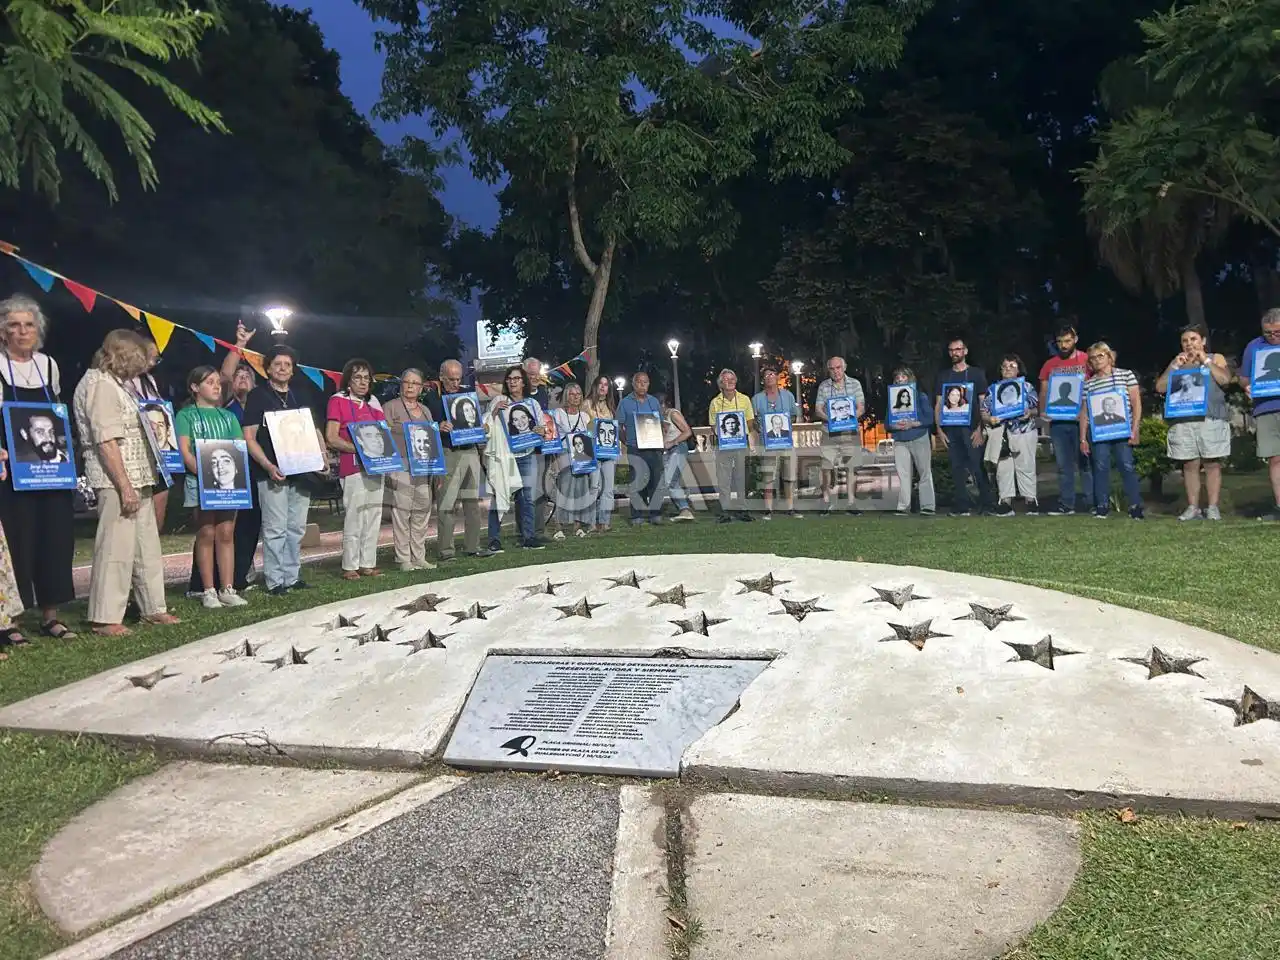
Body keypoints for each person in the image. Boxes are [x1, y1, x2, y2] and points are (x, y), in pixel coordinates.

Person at [73, 329, 181, 635]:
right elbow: (106, 441)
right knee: (115, 547)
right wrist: (124, 486)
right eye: (138, 357)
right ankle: (105, 617)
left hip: (139, 475)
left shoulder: (119, 385)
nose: (144, 364)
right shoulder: (100, 385)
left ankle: (153, 607)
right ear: (122, 355)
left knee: (146, 546)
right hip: (116, 479)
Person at [0, 294, 77, 640]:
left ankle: (50, 615)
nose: (22, 331)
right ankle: (11, 620)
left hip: (51, 471)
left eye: (28, 325)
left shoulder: (49, 366)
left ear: (38, 330)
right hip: (12, 471)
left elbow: (57, 412)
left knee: (55, 539)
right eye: (14, 325)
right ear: (3, 331)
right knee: (18, 540)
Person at [187, 321, 263, 599]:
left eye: (248, 375)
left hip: (251, 473)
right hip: (219, 474)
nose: (242, 377)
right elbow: (226, 373)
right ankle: (202, 584)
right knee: (210, 529)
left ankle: (237, 578)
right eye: (239, 375)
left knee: (245, 528)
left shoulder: (256, 405)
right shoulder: (224, 405)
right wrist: (240, 346)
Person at [243, 343, 320, 595]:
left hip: (302, 469)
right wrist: (267, 464)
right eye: (277, 364)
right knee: (274, 528)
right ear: (267, 369)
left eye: (287, 364)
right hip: (272, 471)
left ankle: (292, 575)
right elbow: (249, 436)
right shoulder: (258, 396)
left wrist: (321, 457)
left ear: (293, 370)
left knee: (296, 527)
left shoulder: (301, 394)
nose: (283, 368)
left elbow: (314, 429)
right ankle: (275, 580)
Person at [175, 366, 250, 609]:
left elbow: (238, 447)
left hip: (228, 484)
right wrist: (203, 473)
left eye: (218, 382)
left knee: (226, 532)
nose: (217, 386)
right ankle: (207, 589)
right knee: (206, 532)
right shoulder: (185, 416)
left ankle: (227, 587)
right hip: (199, 482)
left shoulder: (228, 417)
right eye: (210, 382)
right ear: (195, 387)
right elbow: (184, 449)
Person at [1156, 324, 1233, 522]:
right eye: (1185, 340)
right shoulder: (1178, 362)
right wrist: (1174, 367)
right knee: (1189, 464)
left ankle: (1213, 507)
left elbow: (1225, 380)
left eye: (1193, 339)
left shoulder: (1215, 358)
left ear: (1203, 341)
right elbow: (1160, 387)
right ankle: (1193, 507)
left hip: (1210, 417)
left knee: (1212, 463)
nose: (1189, 344)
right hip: (1183, 419)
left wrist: (1205, 360)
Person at [325, 358, 387, 580]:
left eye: (366, 378)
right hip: (352, 467)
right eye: (357, 377)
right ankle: (349, 565)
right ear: (348, 380)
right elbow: (331, 438)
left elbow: (383, 437)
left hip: (376, 467)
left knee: (373, 514)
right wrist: (359, 450)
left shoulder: (374, 403)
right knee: (355, 515)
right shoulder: (338, 400)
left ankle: (367, 563)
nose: (363, 382)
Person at [425, 359, 490, 560]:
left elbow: (475, 421)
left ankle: (473, 546)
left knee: (472, 502)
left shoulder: (467, 394)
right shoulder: (432, 398)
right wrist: (438, 425)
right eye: (451, 379)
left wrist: (482, 429)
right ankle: (446, 550)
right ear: (441, 376)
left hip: (470, 450)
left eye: (458, 378)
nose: (455, 383)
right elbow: (425, 426)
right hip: (448, 452)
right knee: (447, 503)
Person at [486, 364, 548, 551]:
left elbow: (542, 430)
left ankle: (528, 537)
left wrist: (540, 431)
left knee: (527, 497)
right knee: (499, 495)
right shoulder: (499, 400)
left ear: (523, 382)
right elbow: (487, 425)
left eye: (516, 379)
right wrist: (495, 411)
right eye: (510, 379)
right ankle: (494, 540)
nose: (512, 382)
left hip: (527, 454)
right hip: (505, 456)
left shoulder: (532, 404)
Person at [1080, 342, 1144, 520]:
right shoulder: (1089, 384)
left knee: (1127, 465)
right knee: (1100, 467)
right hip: (1099, 433)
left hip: (1123, 431)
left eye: (1100, 356)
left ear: (1110, 357)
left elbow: (1136, 404)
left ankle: (1135, 505)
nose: (1097, 360)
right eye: (1093, 358)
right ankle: (1102, 506)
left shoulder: (1126, 375)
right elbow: (1084, 412)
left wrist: (1135, 428)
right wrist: (1082, 439)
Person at [383, 368, 435, 571]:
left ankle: (419, 556)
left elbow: (432, 439)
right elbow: (383, 437)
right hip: (401, 466)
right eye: (407, 382)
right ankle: (403, 558)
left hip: (423, 468)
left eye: (415, 383)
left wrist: (434, 469)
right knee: (402, 512)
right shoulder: (390, 407)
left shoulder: (425, 410)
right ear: (401, 384)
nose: (411, 386)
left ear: (421, 387)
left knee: (422, 511)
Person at [934, 337, 992, 517]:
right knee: (957, 468)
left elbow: (984, 403)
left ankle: (987, 504)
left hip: (971, 428)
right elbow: (938, 404)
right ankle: (962, 506)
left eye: (958, 349)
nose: (954, 353)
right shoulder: (944, 376)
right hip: (951, 429)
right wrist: (939, 430)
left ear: (965, 351)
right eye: (951, 350)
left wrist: (980, 429)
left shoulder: (976, 374)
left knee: (977, 466)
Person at [1039, 323, 1092, 516]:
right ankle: (1066, 504)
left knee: (1085, 463)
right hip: (1058, 422)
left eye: (1067, 341)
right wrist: (1043, 412)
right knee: (1063, 465)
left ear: (1075, 339)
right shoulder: (1050, 365)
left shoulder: (1087, 359)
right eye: (1060, 342)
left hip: (1082, 421)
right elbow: (1044, 391)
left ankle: (1091, 503)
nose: (1064, 345)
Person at [982, 355, 1040, 516]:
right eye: (1004, 366)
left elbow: (1037, 407)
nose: (1008, 369)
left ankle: (1030, 501)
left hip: (1024, 431)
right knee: (1003, 468)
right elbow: (984, 411)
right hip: (1002, 433)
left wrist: (1029, 413)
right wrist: (989, 418)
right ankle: (1005, 503)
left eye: (1012, 366)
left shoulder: (1027, 387)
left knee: (1026, 466)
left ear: (1018, 369)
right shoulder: (993, 389)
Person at [1241, 308, 1280, 521]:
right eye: (1268, 333)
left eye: (1277, 332)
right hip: (1266, 408)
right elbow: (1244, 377)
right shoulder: (1254, 347)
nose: (1273, 337)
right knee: (1275, 459)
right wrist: (1247, 387)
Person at [814, 356, 866, 514]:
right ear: (828, 370)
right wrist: (832, 419)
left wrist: (848, 419)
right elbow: (818, 409)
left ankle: (851, 503)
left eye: (838, 368)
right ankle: (826, 501)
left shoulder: (855, 384)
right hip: (829, 432)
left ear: (844, 368)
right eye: (832, 368)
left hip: (850, 432)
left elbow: (861, 407)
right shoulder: (824, 386)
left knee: (851, 467)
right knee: (825, 467)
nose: (835, 371)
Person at [617, 371, 666, 525]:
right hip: (635, 448)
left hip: (654, 448)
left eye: (645, 382)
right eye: (639, 382)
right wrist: (627, 442)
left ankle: (655, 514)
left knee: (655, 481)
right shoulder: (625, 402)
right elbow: (618, 426)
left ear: (649, 384)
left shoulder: (654, 402)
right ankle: (636, 515)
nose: (642, 385)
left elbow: (661, 424)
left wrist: (661, 441)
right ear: (633, 384)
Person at [550, 382, 597, 539]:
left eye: (578, 394)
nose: (576, 397)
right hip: (564, 454)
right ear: (566, 396)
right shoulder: (558, 413)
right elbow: (553, 436)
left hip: (581, 455)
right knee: (564, 491)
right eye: (572, 394)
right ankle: (558, 527)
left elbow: (589, 436)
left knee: (580, 491)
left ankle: (577, 525)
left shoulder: (585, 416)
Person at [886, 367, 936, 517]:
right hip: (900, 440)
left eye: (903, 377)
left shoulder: (921, 397)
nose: (900, 380)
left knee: (924, 472)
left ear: (910, 379)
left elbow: (929, 418)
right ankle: (903, 506)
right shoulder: (892, 400)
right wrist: (894, 426)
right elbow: (887, 424)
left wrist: (914, 424)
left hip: (919, 437)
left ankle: (928, 506)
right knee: (903, 475)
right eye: (897, 378)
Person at [752, 365, 799, 519]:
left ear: (777, 377)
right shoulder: (757, 399)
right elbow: (753, 420)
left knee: (789, 477)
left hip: (786, 443)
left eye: (772, 374)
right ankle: (768, 510)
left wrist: (785, 425)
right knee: (768, 478)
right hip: (767, 444)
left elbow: (793, 416)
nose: (770, 377)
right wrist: (760, 428)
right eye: (766, 375)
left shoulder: (788, 396)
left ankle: (790, 508)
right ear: (763, 380)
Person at [708, 368, 755, 523]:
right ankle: (725, 511)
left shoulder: (745, 399)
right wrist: (724, 435)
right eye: (726, 380)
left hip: (741, 444)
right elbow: (713, 425)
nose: (729, 382)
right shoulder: (715, 402)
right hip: (723, 445)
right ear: (721, 383)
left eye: (732, 379)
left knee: (741, 477)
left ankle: (742, 509)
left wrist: (740, 432)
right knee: (724, 479)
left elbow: (750, 422)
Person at [582, 375, 619, 532]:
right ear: (595, 386)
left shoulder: (610, 406)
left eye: (606, 385)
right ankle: (591, 522)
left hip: (609, 452)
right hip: (593, 451)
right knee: (593, 487)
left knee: (608, 488)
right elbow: (583, 429)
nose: (603, 387)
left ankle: (604, 522)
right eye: (601, 384)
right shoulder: (587, 404)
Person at [522, 356, 552, 541]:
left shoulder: (543, 391)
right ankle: (525, 532)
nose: (534, 378)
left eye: (536, 374)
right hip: (522, 449)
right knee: (525, 492)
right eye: (530, 374)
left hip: (541, 448)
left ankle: (539, 530)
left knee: (541, 490)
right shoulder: (516, 394)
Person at [659, 391, 696, 522]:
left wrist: (672, 442)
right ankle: (683, 509)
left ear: (662, 403)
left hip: (678, 448)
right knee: (669, 481)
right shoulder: (661, 416)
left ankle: (685, 509)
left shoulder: (672, 413)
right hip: (668, 451)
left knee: (670, 481)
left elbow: (687, 431)